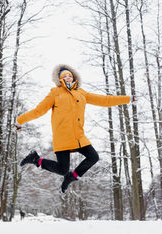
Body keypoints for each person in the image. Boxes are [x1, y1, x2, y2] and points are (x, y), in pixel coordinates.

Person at [15, 64, 134, 193]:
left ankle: (71, 177)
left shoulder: (81, 93)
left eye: (69, 75)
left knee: (93, 157)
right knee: (62, 169)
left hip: (78, 136)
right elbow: (39, 110)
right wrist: (20, 120)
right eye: (64, 76)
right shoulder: (55, 92)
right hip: (62, 136)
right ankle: (35, 159)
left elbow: (104, 100)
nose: (67, 77)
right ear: (60, 79)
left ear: (73, 77)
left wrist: (127, 99)